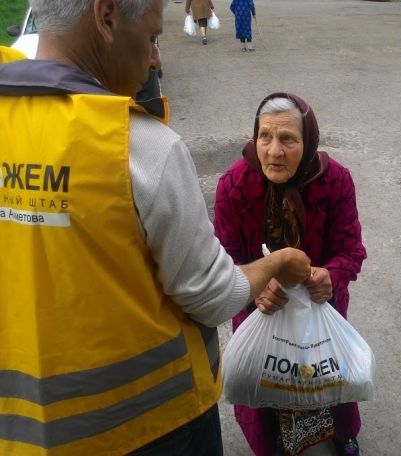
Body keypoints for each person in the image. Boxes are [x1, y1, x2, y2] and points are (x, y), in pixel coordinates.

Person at [0, 2, 310, 455]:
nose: (156, 59)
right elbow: (212, 296)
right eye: (152, 37)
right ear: (106, 16)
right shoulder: (140, 146)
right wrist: (279, 263)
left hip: (20, 433)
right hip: (153, 426)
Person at [213, 93, 367, 456]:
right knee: (268, 382)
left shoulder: (335, 180)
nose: (274, 151)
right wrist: (255, 287)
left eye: (288, 139)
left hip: (320, 306)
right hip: (259, 310)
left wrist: (331, 275)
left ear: (308, 140)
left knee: (324, 375)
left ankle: (340, 435)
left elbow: (352, 251)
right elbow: (223, 260)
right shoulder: (234, 186)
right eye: (264, 137)